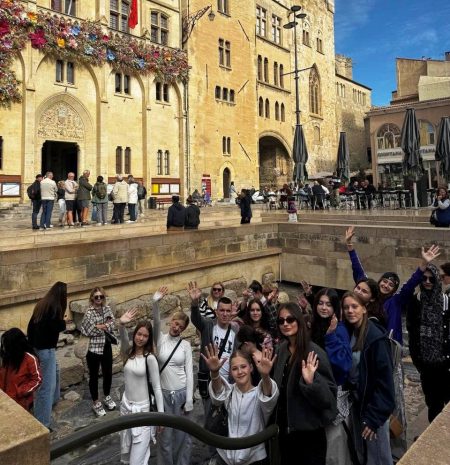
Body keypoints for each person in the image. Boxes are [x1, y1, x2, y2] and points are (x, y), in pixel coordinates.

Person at [345, 226, 441, 344]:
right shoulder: (370, 295)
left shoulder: (395, 301)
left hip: (388, 344)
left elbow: (410, 284)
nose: (386, 285)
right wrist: (349, 245)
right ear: (379, 281)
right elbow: (358, 270)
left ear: (394, 290)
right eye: (385, 281)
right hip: (365, 340)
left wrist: (424, 264)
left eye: (390, 285)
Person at [272, 302, 337, 465]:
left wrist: (311, 382)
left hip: (309, 436)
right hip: (286, 432)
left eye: (290, 319)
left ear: (299, 321)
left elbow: (328, 399)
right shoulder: (281, 350)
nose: (285, 324)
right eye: (281, 321)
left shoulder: (314, 353)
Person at [203, 344, 279, 465]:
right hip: (225, 458)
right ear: (230, 372)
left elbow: (268, 396)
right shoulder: (229, 392)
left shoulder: (259, 394)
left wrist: (265, 376)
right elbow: (218, 394)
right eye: (234, 368)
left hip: (253, 460)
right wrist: (215, 372)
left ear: (251, 368)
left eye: (243, 367)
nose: (239, 372)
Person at [342, 292, 395, 465]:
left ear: (364, 309)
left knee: (377, 457)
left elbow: (385, 383)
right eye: (346, 307)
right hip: (359, 405)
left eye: (354, 306)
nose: (350, 311)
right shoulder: (352, 331)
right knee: (364, 455)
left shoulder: (376, 339)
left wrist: (374, 418)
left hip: (373, 410)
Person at [151, 287, 194, 465]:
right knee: (165, 437)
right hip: (164, 395)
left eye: (181, 327)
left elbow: (189, 372)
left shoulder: (185, 346)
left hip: (182, 393)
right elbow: (155, 322)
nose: (177, 328)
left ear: (183, 329)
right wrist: (155, 302)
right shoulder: (160, 339)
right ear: (171, 322)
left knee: (183, 436)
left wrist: (189, 398)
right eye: (175, 324)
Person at [310, 288, 352, 465]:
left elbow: (344, 364)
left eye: (328, 304)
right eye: (320, 303)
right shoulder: (314, 325)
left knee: (334, 444)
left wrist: (331, 337)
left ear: (335, 307)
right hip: (316, 391)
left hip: (334, 393)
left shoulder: (339, 329)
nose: (324, 308)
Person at [118, 310, 164, 465]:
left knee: (137, 460)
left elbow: (157, 387)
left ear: (149, 338)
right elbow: (123, 338)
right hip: (126, 407)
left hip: (142, 410)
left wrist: (161, 416)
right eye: (139, 334)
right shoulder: (128, 352)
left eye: (145, 336)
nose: (141, 338)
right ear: (135, 334)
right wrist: (121, 324)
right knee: (130, 453)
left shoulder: (149, 358)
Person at [406, 262, 450, 423]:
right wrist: (419, 362)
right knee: (433, 405)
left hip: (445, 363)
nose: (427, 282)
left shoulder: (445, 301)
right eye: (424, 278)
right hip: (427, 365)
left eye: (432, 279)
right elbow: (412, 333)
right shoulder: (416, 301)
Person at [188, 281, 238, 416]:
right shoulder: (208, 325)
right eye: (222, 310)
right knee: (210, 417)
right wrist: (194, 303)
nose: (225, 314)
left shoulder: (235, 330)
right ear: (216, 312)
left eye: (228, 311)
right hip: (209, 380)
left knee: (228, 416)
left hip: (228, 381)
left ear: (231, 312)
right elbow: (196, 318)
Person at [27, 281, 67, 428]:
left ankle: (53, 401)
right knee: (46, 386)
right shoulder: (54, 309)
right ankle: (43, 422)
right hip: (46, 350)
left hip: (38, 348)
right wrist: (64, 321)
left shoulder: (42, 305)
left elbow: (30, 326)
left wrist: (32, 347)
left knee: (55, 371)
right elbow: (57, 327)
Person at [80, 287, 117, 417]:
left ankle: (107, 396)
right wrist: (105, 326)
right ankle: (96, 402)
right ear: (92, 298)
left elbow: (113, 324)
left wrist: (100, 326)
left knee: (108, 373)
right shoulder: (89, 312)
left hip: (106, 346)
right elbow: (88, 330)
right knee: (94, 375)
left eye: (101, 296)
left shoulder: (107, 309)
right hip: (93, 349)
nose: (99, 299)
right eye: (96, 297)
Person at [0, 328, 42, 412]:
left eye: (6, 346)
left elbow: (37, 380)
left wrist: (20, 391)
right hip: (5, 399)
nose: (4, 348)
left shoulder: (30, 359)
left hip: (21, 402)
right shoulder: (6, 357)